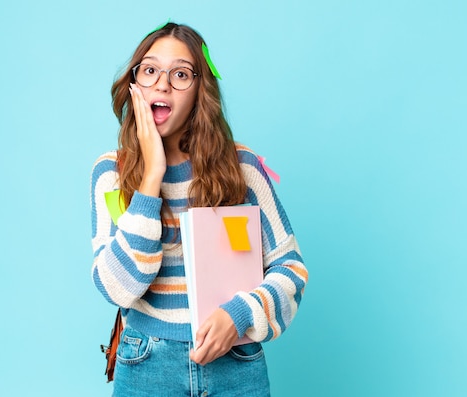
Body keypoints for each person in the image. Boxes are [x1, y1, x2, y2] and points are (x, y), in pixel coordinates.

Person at [90, 22, 308, 396]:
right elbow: (118, 288)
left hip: (236, 366)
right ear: (135, 83)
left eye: (180, 74)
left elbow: (291, 270)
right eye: (150, 70)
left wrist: (238, 316)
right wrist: (152, 176)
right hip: (146, 366)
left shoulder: (242, 168)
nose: (162, 84)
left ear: (199, 90)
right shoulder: (113, 173)